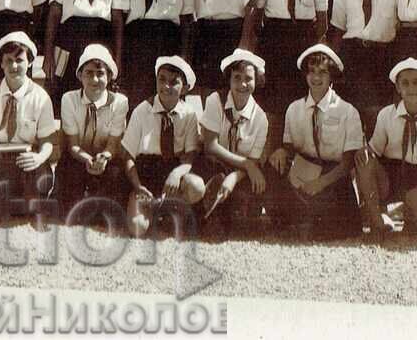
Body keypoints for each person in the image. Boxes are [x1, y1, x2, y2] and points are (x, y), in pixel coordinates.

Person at [266, 44, 362, 240]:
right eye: (311, 72)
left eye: (323, 72)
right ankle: (291, 217)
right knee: (272, 166)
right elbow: (289, 147)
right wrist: (282, 152)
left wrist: (320, 183)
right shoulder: (294, 108)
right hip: (304, 170)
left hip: (333, 176)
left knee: (337, 227)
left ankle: (307, 219)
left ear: (332, 76)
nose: (316, 78)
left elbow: (347, 162)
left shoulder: (347, 111)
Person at [355, 58, 417, 244]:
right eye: (405, 83)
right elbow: (374, 149)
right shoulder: (387, 114)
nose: (411, 88)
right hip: (389, 176)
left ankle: (411, 216)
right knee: (364, 160)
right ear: (398, 88)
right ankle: (378, 223)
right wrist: (365, 151)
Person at [0, 32, 57, 223]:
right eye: (9, 60)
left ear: (30, 62)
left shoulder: (41, 97)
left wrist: (38, 158)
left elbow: (48, 142)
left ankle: (18, 200)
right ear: (1, 64)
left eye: (20, 60)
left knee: (31, 208)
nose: (14, 66)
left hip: (27, 161)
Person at [246, 0, 328, 132]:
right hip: (275, 39)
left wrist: (314, 46)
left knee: (302, 96)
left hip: (304, 39)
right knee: (274, 100)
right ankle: (272, 149)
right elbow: (257, 17)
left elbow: (321, 20)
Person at [121, 56, 205, 237]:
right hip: (145, 173)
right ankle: (154, 210)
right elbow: (128, 156)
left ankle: (169, 209)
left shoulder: (189, 114)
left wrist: (177, 173)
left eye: (174, 82)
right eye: (162, 80)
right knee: (137, 228)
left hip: (173, 173)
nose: (166, 86)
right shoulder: (142, 110)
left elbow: (190, 154)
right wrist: (137, 186)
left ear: (185, 88)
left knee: (196, 186)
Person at [328, 0, 399, 136]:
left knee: (380, 117)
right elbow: (338, 31)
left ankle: (377, 165)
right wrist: (334, 65)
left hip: (383, 57)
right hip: (354, 57)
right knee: (354, 118)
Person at [199, 48, 268, 232]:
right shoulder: (216, 100)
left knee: (242, 219)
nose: (242, 84)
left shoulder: (260, 118)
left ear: (257, 81)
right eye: (237, 77)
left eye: (248, 78)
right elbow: (210, 146)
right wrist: (247, 164)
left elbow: (253, 163)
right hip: (211, 164)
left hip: (240, 172)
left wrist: (234, 176)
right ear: (229, 79)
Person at [57, 44, 128, 219]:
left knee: (109, 215)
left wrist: (103, 158)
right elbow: (72, 145)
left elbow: (113, 145)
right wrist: (88, 159)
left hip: (106, 160)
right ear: (80, 75)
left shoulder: (120, 102)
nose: (95, 79)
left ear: (110, 76)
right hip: (77, 158)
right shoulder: (69, 99)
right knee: (69, 214)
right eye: (89, 73)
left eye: (100, 73)